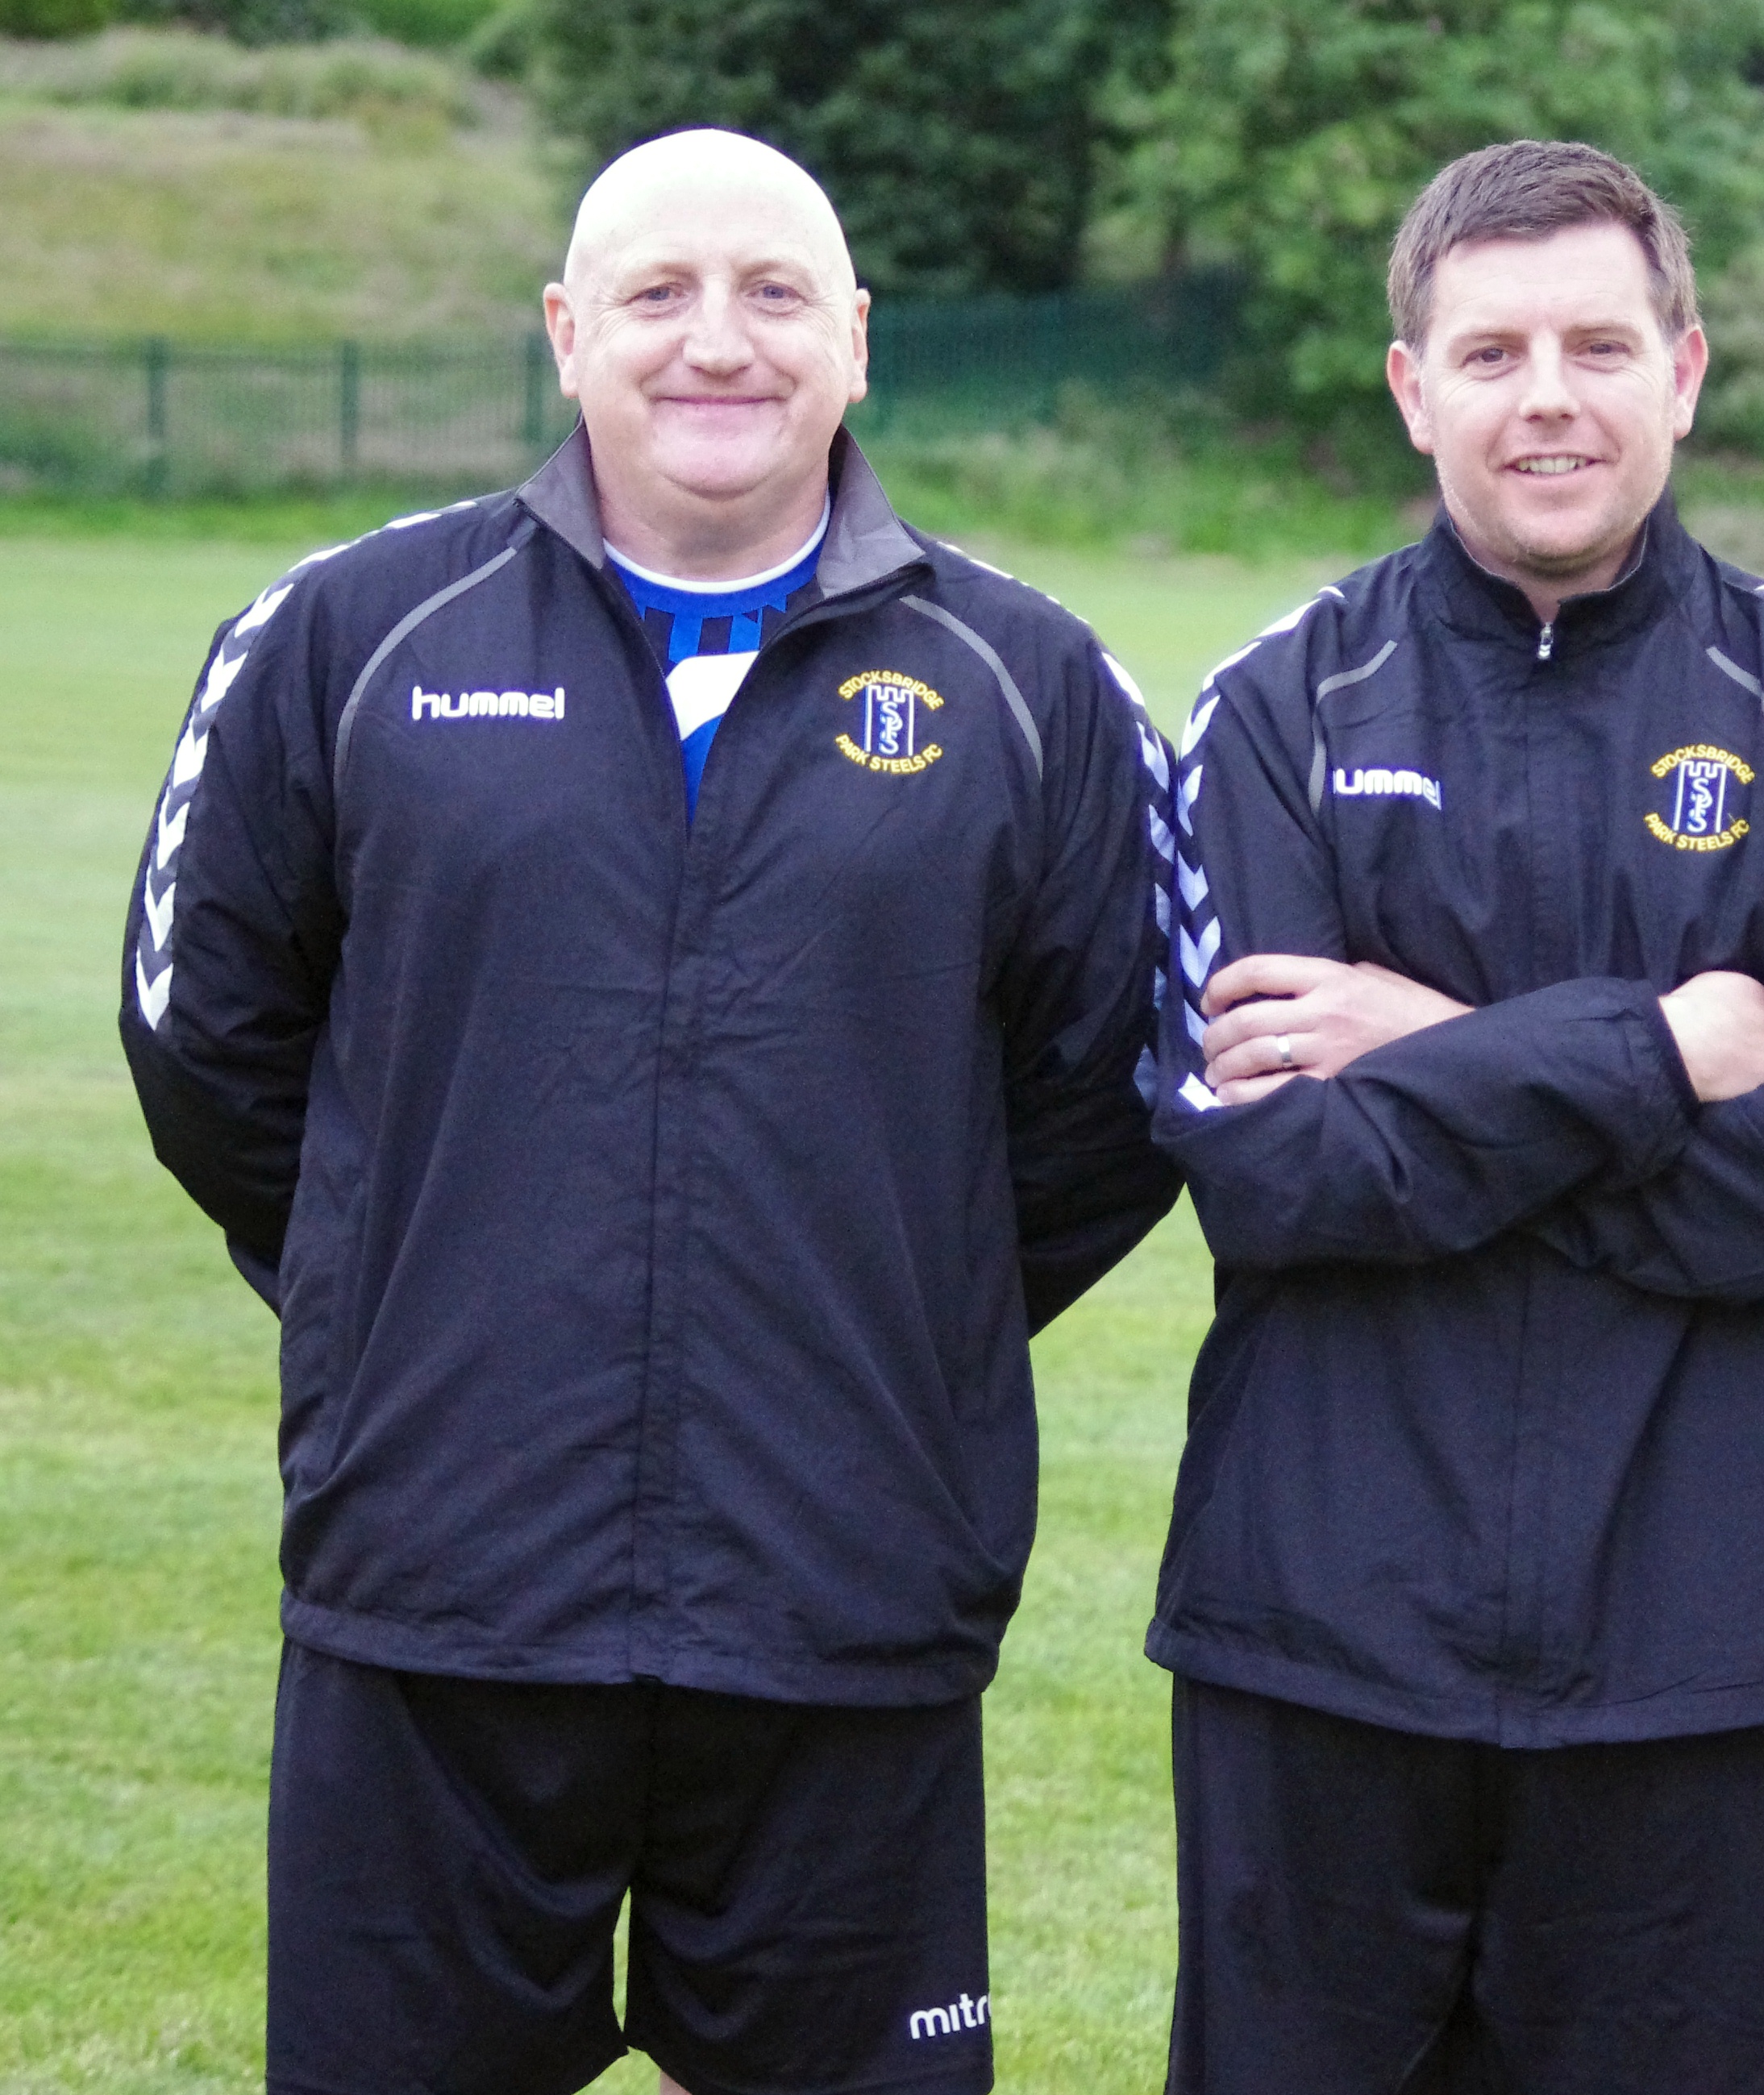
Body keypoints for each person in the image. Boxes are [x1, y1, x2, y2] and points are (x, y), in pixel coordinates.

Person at [119, 128, 1176, 2095]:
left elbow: (1106, 1097)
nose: (719, 344)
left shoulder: (1028, 683)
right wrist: (404, 1289)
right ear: (565, 333)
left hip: (843, 1599)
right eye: (659, 295)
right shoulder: (349, 640)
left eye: (775, 294)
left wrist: (892, 1310)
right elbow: (208, 1044)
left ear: (855, 341)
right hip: (439, 1598)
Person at [1142, 139, 1764, 2093]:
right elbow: (1270, 1174)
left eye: (1599, 343)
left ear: (1683, 369)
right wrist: (1663, 1051)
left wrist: (1424, 1043)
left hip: (1704, 1644)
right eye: (1490, 350)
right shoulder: (1276, 708)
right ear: (1412, 386)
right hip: (1321, 1636)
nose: (1548, 396)